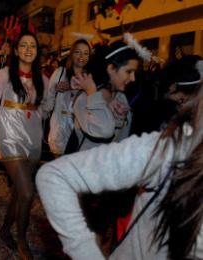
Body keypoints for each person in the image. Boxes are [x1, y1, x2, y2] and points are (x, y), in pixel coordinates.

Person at [36, 56, 203, 259]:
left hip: (117, 176)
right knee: (90, 228)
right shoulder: (85, 97)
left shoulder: (121, 99)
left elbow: (122, 137)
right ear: (111, 69)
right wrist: (92, 94)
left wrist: (121, 118)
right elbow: (103, 131)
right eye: (128, 71)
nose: (133, 78)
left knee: (105, 232)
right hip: (88, 173)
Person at [0, 31, 50, 259]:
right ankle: (21, 239)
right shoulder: (3, 75)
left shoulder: (44, 79)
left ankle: (3, 231)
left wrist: (54, 99)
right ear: (17, 49)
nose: (29, 49)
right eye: (24, 45)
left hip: (33, 138)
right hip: (9, 135)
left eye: (33, 46)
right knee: (28, 193)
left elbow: (44, 111)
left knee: (19, 192)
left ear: (37, 52)